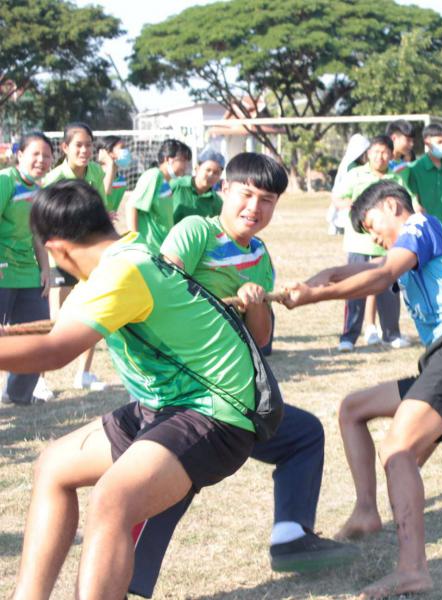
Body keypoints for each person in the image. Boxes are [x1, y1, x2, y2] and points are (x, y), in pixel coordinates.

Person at [9, 179, 277, 599]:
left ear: (56, 249)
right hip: (168, 404)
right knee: (53, 467)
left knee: (112, 500)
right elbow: (52, 338)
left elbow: (54, 353)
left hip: (218, 410)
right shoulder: (125, 255)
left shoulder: (123, 271)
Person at [126, 153, 355, 597]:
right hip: (189, 393)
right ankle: (122, 576)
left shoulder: (260, 254)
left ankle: (290, 537)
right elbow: (162, 293)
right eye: (246, 194)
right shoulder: (197, 231)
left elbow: (262, 339)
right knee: (173, 478)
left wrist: (255, 304)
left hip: (235, 393)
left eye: (267, 200)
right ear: (224, 190)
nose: (255, 207)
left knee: (303, 434)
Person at [282, 180, 442, 599]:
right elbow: (357, 271)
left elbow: (381, 276)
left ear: (391, 205)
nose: (374, 236)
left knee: (397, 450)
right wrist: (314, 282)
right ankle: (366, 511)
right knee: (353, 409)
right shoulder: (404, 247)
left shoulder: (421, 225)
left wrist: (315, 297)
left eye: (372, 225)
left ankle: (413, 569)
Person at [43, 122, 111, 391]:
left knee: (93, 314)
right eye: (78, 145)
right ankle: (40, 381)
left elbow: (101, 210)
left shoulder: (95, 171)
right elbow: (46, 223)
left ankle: (83, 374)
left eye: (88, 145)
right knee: (56, 320)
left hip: (90, 258)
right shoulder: (54, 179)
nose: (84, 150)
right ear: (65, 147)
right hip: (61, 258)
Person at [333, 136, 410, 351]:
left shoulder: (396, 178)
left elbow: (406, 203)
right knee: (354, 289)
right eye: (376, 151)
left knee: (389, 290)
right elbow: (338, 198)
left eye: (385, 152)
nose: (380, 156)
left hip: (386, 246)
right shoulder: (355, 175)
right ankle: (348, 337)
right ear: (368, 154)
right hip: (358, 243)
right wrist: (356, 206)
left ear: (391, 155)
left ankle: (391, 334)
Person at [0, 132, 54, 406]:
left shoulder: (39, 190)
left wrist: (45, 269)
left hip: (28, 274)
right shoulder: (5, 181)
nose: (41, 160)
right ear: (20, 155)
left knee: (37, 336)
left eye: (47, 155)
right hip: (2, 273)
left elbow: (37, 234)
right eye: (35, 154)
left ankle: (17, 395)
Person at [126, 139, 192, 252]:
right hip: (148, 249)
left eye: (187, 161)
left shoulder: (166, 183)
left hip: (161, 248)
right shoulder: (154, 175)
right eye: (182, 160)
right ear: (167, 159)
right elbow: (132, 206)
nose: (185, 165)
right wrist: (135, 243)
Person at [408, 123, 442, 224]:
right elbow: (415, 202)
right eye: (439, 142)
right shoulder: (416, 168)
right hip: (424, 225)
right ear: (427, 142)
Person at [170, 148, 225, 224]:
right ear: (197, 168)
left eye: (216, 173)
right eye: (208, 170)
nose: (211, 175)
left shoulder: (216, 202)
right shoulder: (177, 186)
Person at [95, 136, 132, 216]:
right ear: (108, 152)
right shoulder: (93, 174)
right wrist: (110, 163)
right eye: (122, 148)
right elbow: (104, 192)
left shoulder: (121, 181)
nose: (126, 151)